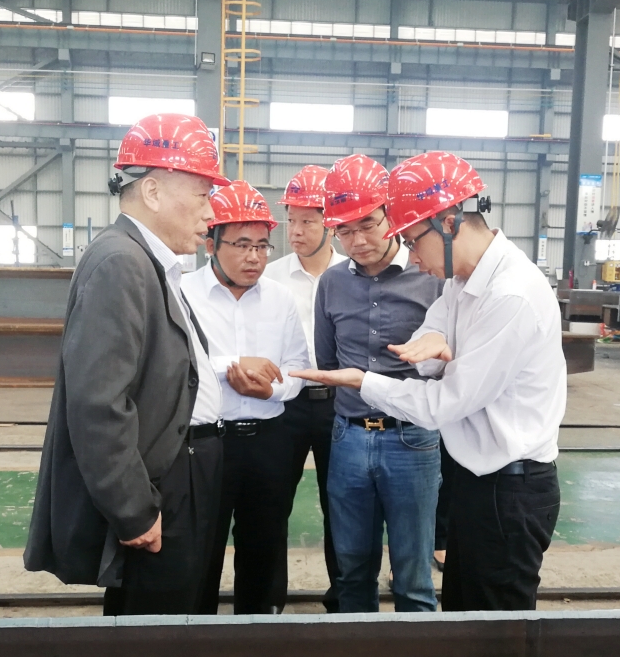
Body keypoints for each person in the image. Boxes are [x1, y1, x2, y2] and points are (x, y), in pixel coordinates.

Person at [294, 151, 566, 612]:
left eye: (412, 240)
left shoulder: (510, 296)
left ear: (449, 223)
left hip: (510, 487)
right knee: (463, 609)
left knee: (494, 623)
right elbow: (431, 334)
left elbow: (445, 404)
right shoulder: (463, 281)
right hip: (478, 479)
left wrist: (364, 381)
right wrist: (435, 345)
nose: (414, 257)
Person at [24, 113, 229, 615]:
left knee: (184, 614)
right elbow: (98, 404)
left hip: (184, 468)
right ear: (153, 192)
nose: (210, 213)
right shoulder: (121, 263)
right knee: (157, 627)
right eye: (202, 195)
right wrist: (134, 509)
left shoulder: (148, 261)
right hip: (160, 483)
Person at [313, 154, 444, 614]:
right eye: (344, 231)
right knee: (351, 569)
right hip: (347, 438)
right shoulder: (331, 283)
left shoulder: (431, 278)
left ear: (392, 215)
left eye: (368, 224)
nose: (358, 241)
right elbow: (328, 360)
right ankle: (357, 651)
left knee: (413, 573)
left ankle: (415, 656)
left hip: (412, 441)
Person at [184, 180, 311, 615]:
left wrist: (272, 388)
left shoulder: (280, 299)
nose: (254, 257)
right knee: (202, 543)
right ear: (210, 244)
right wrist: (235, 365)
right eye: (241, 244)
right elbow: (178, 363)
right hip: (207, 443)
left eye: (261, 245)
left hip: (269, 440)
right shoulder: (183, 294)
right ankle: (195, 630)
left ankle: (259, 632)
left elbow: (296, 366)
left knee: (265, 543)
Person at [264, 164, 347, 613]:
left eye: (307, 221)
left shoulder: (352, 275)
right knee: (273, 503)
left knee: (342, 506)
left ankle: (343, 598)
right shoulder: (271, 276)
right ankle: (269, 600)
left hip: (339, 405)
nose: (294, 231)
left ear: (330, 223)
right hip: (286, 405)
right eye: (290, 220)